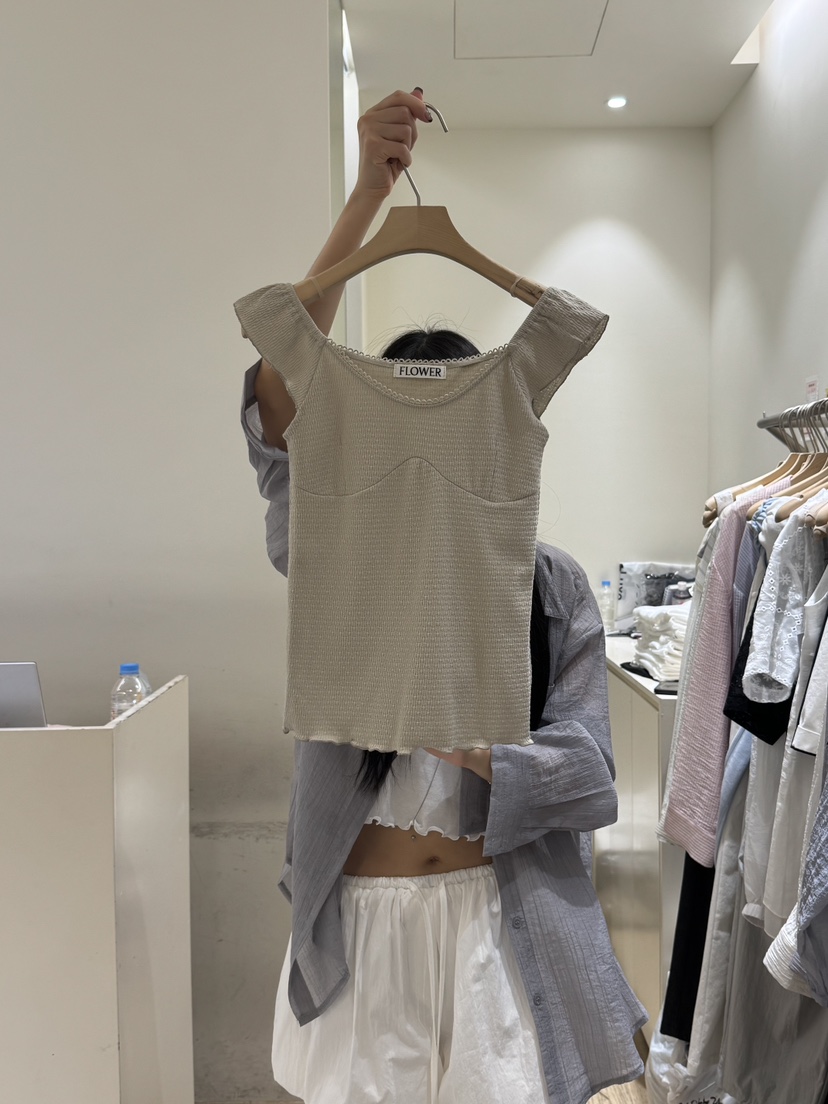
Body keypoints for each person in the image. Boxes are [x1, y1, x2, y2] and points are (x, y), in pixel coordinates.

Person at [238, 88, 647, 1104]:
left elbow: (592, 776)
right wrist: (363, 204)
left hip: (498, 925)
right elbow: (280, 401)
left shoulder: (547, 586)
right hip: (359, 928)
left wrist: (473, 738)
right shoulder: (333, 547)